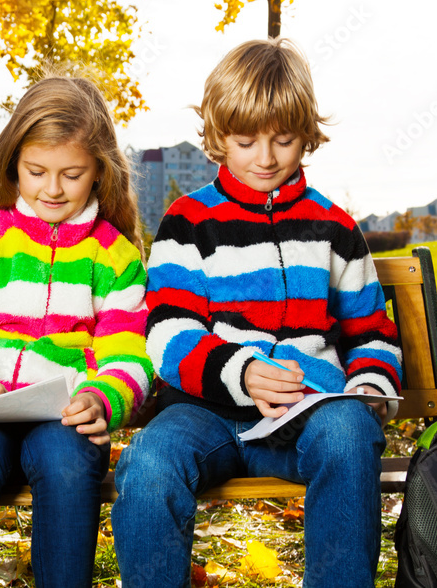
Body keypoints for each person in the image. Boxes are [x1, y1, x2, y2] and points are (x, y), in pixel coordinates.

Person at [111, 38, 403, 588]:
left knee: (348, 434)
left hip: (311, 410)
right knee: (149, 461)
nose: (265, 158)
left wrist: (369, 385)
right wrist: (240, 372)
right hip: (207, 413)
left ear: (307, 137)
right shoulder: (187, 222)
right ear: (219, 138)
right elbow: (168, 330)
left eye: (284, 140)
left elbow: (372, 332)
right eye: (245, 141)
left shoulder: (335, 227)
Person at [0, 73, 152, 588]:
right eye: (36, 171)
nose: (52, 189)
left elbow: (129, 353)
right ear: (13, 161)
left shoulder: (113, 255)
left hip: (64, 416)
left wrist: (105, 399)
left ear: (100, 172)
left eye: (72, 174)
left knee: (65, 466)